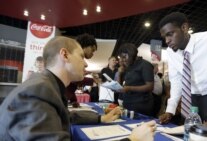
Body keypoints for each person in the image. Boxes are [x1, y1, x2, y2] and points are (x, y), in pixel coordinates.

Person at [0, 36, 156, 140]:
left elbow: (65, 116)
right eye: (81, 57)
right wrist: (132, 139)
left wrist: (101, 118)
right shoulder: (37, 92)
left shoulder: (46, 85)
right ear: (65, 55)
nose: (86, 63)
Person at [158, 12, 207, 139]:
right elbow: (176, 81)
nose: (167, 41)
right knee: (189, 136)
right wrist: (170, 110)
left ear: (184, 28)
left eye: (170, 34)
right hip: (190, 99)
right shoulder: (171, 52)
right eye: (164, 37)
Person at [117, 43, 155, 117]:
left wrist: (129, 88)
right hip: (127, 103)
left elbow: (150, 86)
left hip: (141, 105)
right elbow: (123, 85)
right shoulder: (128, 66)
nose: (122, 60)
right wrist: (119, 74)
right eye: (121, 57)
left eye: (124, 57)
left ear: (131, 55)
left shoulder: (145, 65)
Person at [66, 33, 98, 103]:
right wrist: (92, 80)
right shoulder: (72, 56)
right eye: (92, 50)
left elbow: (71, 84)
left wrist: (73, 100)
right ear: (85, 46)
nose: (85, 64)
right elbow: (73, 79)